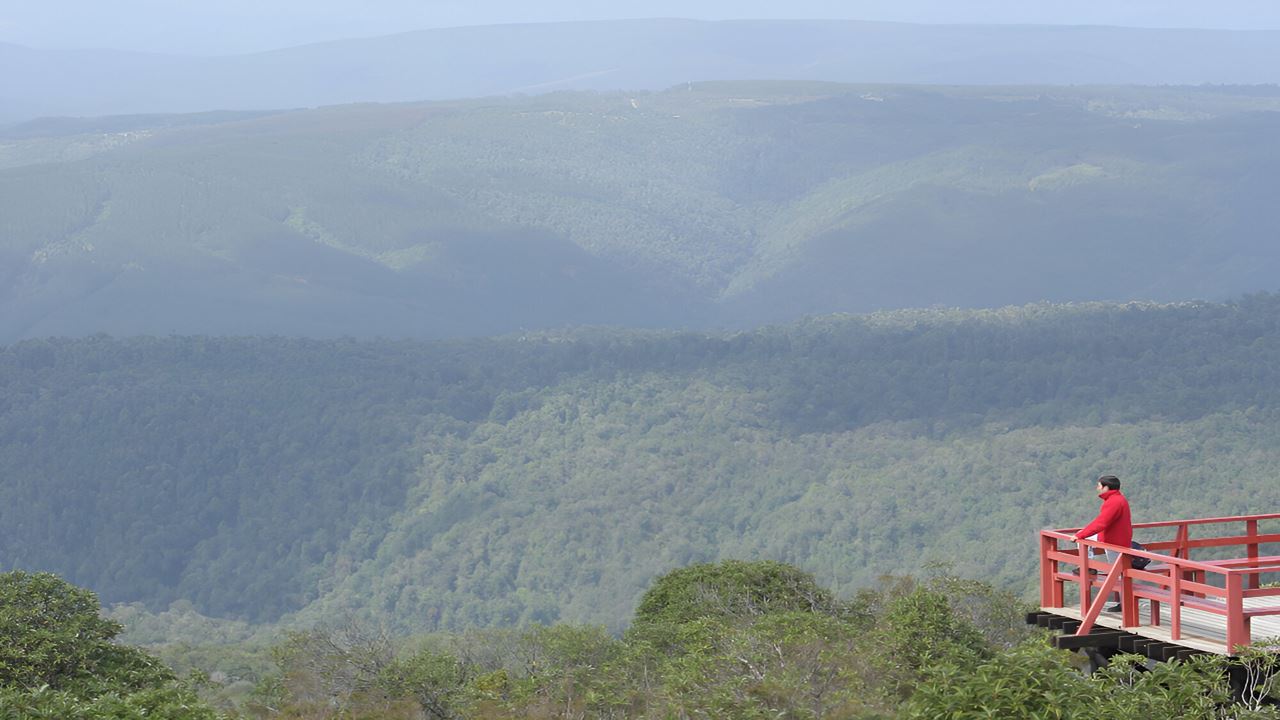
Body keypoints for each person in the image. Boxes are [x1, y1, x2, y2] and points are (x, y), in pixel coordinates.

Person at [1070, 475, 1132, 612]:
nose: (1097, 488)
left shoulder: (1113, 502)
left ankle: (1125, 604)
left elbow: (1101, 523)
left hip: (1114, 541)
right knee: (1119, 571)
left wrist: (1079, 535)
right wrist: (1082, 534)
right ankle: (1087, 566)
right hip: (1114, 538)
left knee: (1119, 572)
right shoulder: (1118, 499)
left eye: (1099, 485)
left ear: (1106, 487)